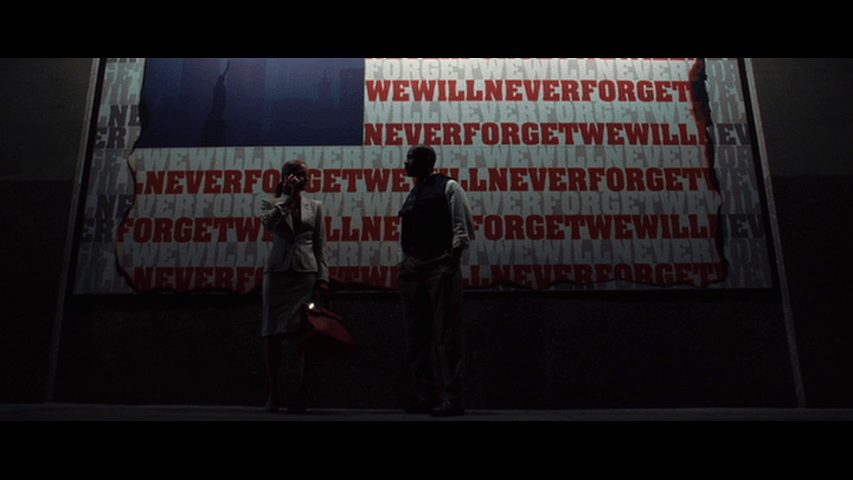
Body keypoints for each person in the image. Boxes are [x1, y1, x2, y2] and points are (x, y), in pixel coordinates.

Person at [398, 144, 475, 417]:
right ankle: (427, 395)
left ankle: (452, 398)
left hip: (438, 266)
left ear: (425, 161)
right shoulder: (414, 193)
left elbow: (462, 227)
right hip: (412, 268)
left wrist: (449, 260)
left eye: (410, 159)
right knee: (416, 336)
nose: (405, 164)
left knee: (447, 335)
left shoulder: (449, 187)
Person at [260, 160, 329, 413]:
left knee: (306, 332)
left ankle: (302, 391)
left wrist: (323, 278)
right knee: (272, 332)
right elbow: (268, 224)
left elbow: (320, 244)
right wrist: (287, 198)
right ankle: (274, 391)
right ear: (286, 177)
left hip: (305, 273)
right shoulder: (270, 202)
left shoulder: (316, 206)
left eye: (306, 175)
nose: (304, 179)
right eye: (298, 175)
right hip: (277, 273)